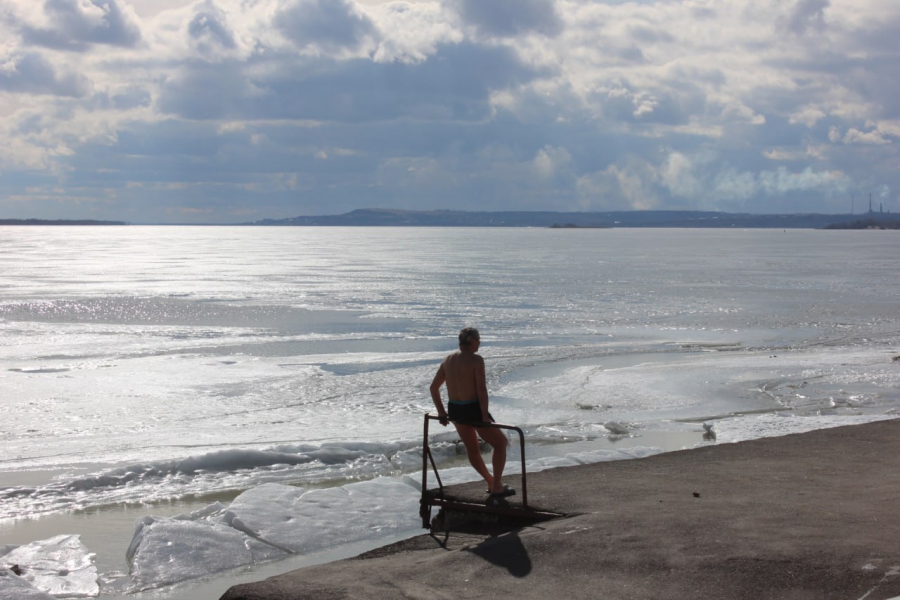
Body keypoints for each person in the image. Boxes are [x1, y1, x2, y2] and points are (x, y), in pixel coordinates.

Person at [429, 327, 514, 497]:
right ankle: (496, 485)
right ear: (472, 341)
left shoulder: (448, 360)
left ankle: (490, 481)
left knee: (472, 449)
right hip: (472, 409)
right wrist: (484, 416)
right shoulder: (476, 360)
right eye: (478, 340)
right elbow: (481, 389)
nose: (480, 343)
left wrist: (441, 412)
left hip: (455, 409)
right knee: (501, 443)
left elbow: (433, 388)